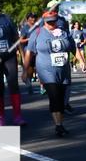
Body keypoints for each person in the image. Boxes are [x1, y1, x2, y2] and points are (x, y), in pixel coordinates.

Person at [22, 8, 76, 137]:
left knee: (61, 99)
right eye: (49, 21)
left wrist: (81, 60)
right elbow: (29, 53)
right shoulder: (37, 33)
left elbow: (73, 47)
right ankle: (58, 125)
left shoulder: (63, 32)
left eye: (53, 21)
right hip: (46, 70)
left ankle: (60, 123)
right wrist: (25, 70)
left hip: (63, 71)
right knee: (54, 96)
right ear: (44, 21)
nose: (52, 23)